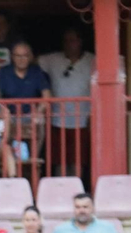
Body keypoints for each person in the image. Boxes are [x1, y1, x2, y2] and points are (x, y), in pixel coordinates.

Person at [38, 28, 92, 178]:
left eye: (72, 40)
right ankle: (60, 194)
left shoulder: (92, 60)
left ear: (80, 42)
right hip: (57, 119)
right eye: (66, 41)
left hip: (81, 120)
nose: (69, 44)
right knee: (59, 161)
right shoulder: (52, 59)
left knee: (77, 161)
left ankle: (77, 194)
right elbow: (28, 59)